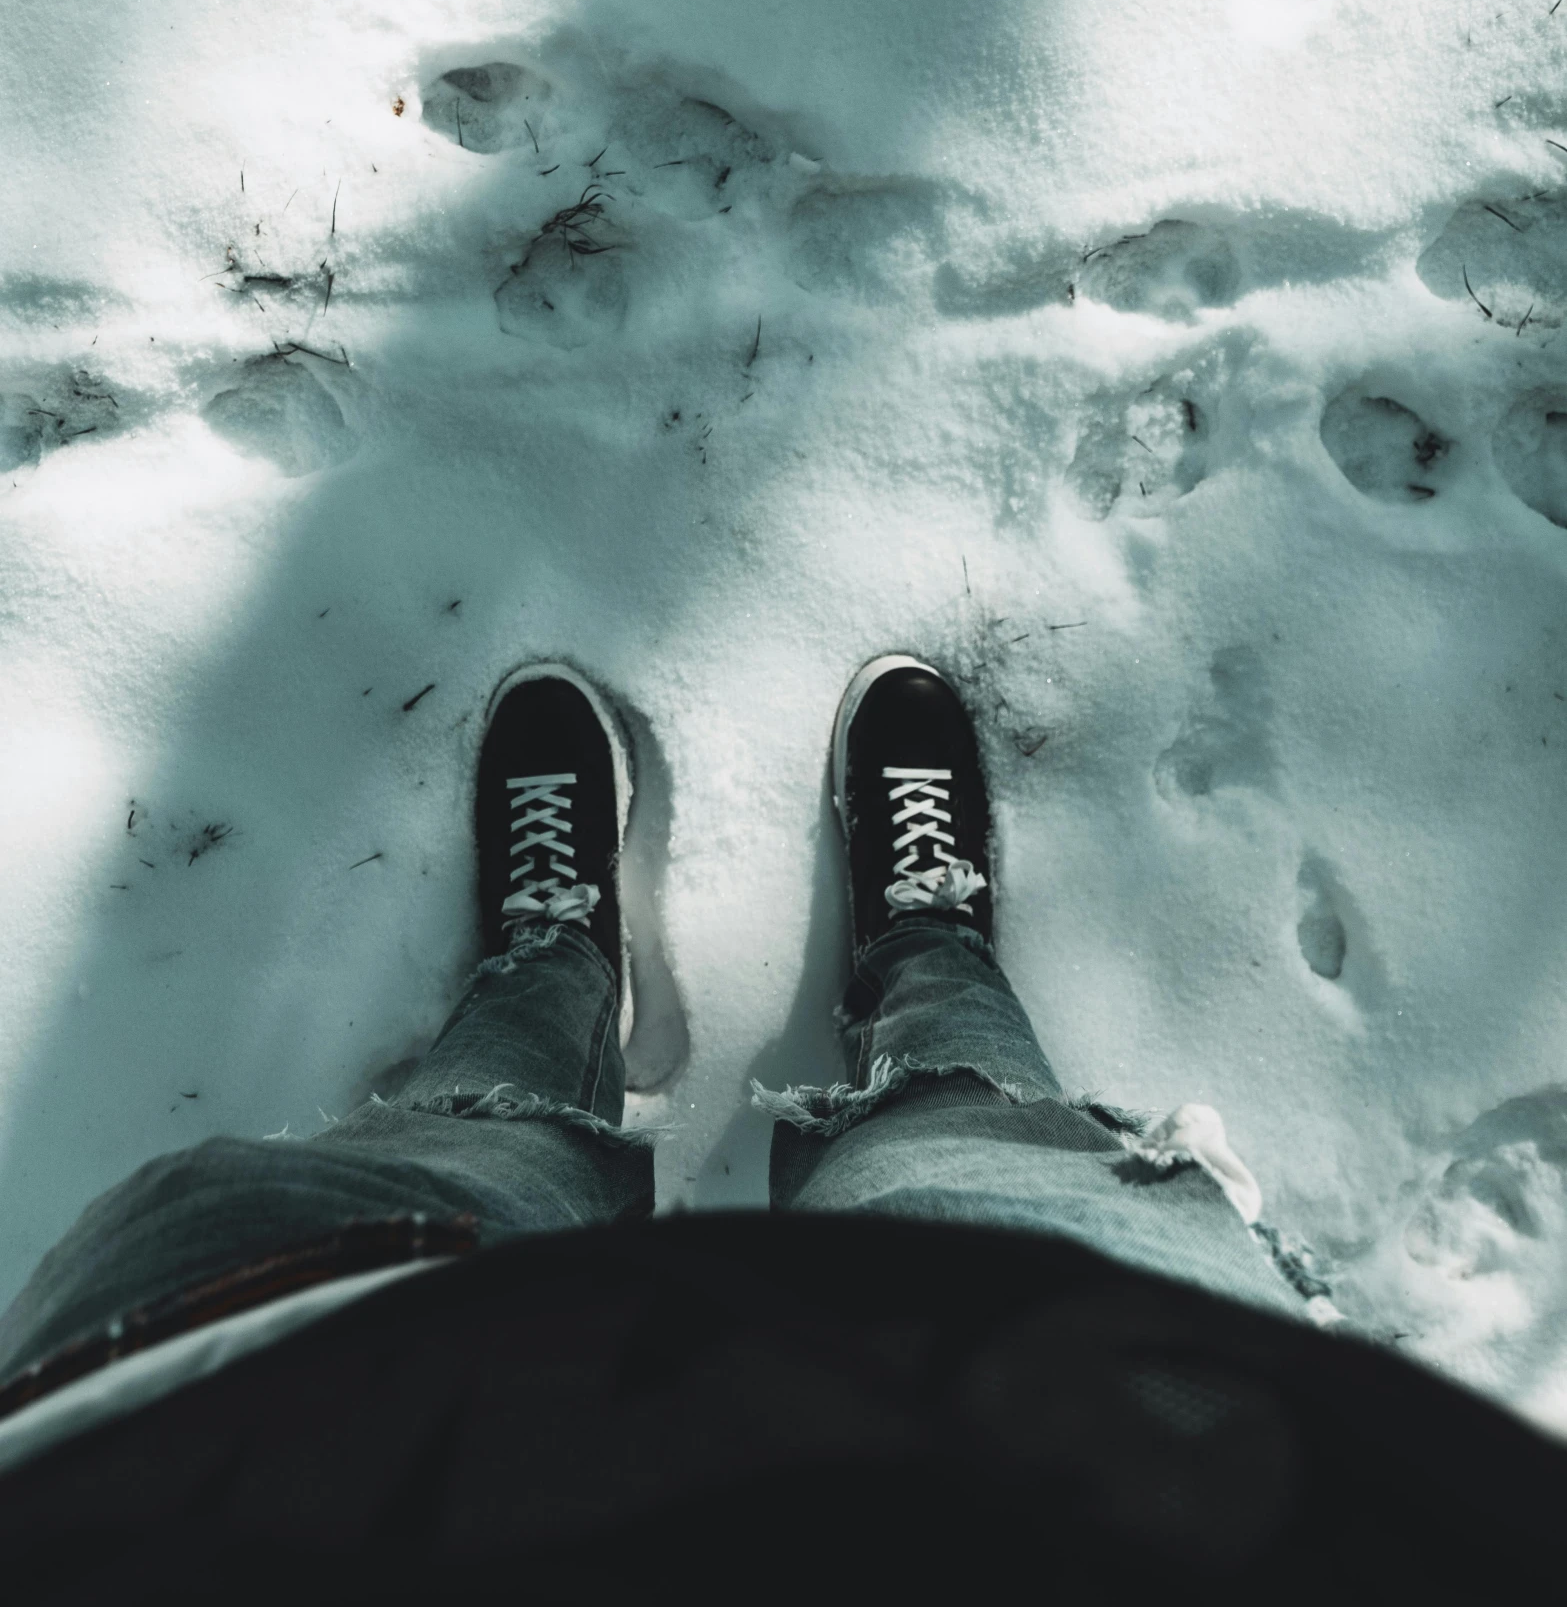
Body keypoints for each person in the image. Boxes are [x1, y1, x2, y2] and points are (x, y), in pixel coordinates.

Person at [0, 657, 1559, 1602]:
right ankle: (921, 958)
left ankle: (555, 977)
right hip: (1180, 1488)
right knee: (969, 1168)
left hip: (182, 1450)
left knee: (431, 1170)